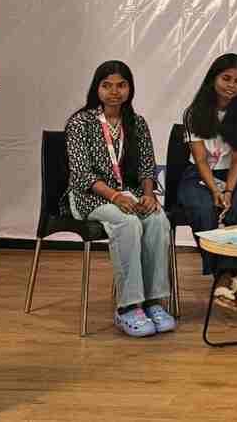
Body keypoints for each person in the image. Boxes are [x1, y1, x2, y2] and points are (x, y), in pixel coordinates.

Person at [65, 61, 173, 337]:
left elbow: (147, 165)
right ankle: (128, 307)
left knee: (158, 219)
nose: (115, 91)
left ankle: (154, 302)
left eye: (121, 85)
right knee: (127, 223)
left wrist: (148, 195)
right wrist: (114, 196)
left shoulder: (136, 122)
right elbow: (81, 174)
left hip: (132, 195)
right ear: (97, 88)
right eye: (107, 85)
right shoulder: (81, 122)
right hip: (92, 197)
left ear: (130, 89)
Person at [177, 53, 237, 312]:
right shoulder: (194, 113)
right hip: (198, 175)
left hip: (231, 176)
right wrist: (215, 190)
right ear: (213, 78)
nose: (231, 85)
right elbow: (201, 160)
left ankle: (224, 277)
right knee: (203, 209)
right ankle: (223, 277)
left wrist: (229, 190)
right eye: (226, 78)